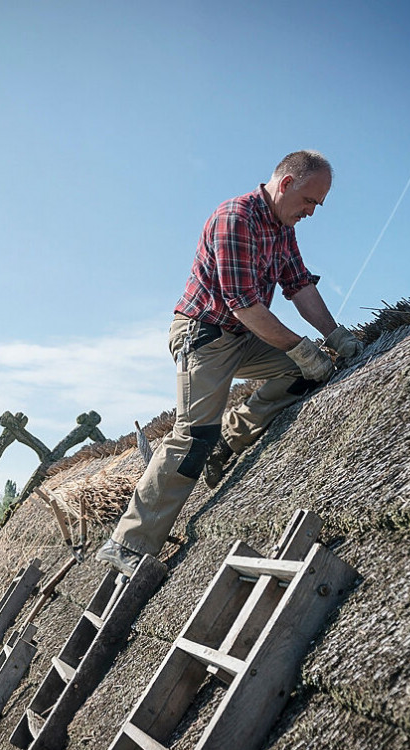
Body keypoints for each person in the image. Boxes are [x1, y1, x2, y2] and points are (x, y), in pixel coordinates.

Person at [96, 150, 364, 575]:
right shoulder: (235, 218)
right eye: (310, 201)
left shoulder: (283, 230)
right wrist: (300, 347)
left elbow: (299, 287)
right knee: (193, 435)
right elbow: (244, 306)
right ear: (287, 183)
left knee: (303, 375)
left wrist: (335, 336)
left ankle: (230, 440)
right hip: (204, 335)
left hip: (245, 334)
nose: (312, 212)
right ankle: (126, 543)